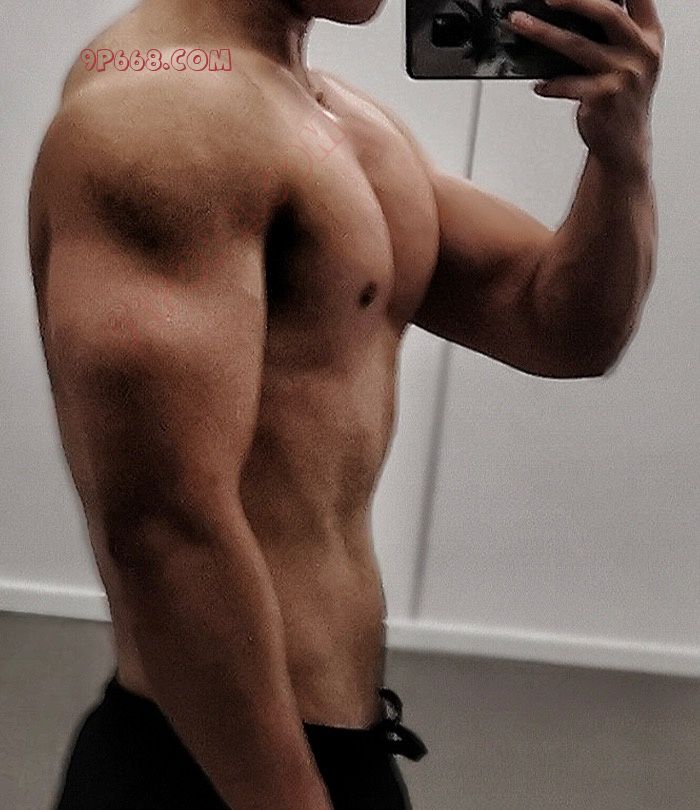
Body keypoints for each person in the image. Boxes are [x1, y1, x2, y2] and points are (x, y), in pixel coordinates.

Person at [28, 0, 663, 807]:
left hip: (328, 753)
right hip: (212, 771)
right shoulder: (161, 115)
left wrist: (621, 154)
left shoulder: (333, 120)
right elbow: (160, 525)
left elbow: (559, 327)